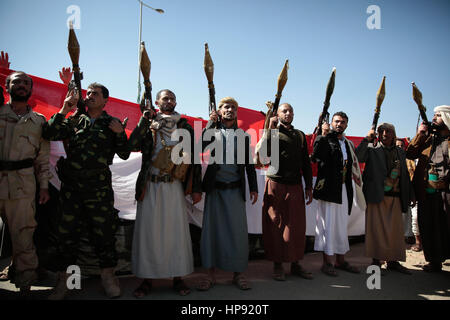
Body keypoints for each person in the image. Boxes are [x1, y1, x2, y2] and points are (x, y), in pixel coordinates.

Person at [42, 82, 129, 299]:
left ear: (105, 100)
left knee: (104, 236)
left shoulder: (112, 123)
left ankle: (108, 278)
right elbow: (49, 132)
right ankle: (66, 282)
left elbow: (125, 153)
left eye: (95, 94)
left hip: (98, 190)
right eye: (88, 93)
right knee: (67, 236)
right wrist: (65, 108)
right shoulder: (74, 120)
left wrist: (120, 134)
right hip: (72, 189)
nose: (89, 96)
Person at [128, 89, 202, 298]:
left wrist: (196, 188)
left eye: (172, 98)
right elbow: (131, 145)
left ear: (176, 102)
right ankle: (147, 280)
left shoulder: (184, 125)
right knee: (149, 233)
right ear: (158, 102)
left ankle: (178, 278)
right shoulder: (149, 121)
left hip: (173, 186)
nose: (169, 101)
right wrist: (144, 121)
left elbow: (194, 157)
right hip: (150, 185)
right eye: (165, 98)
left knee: (175, 232)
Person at [197, 97, 258, 291]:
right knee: (211, 233)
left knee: (237, 234)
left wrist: (254, 187)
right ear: (220, 111)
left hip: (235, 191)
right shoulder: (212, 132)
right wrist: (208, 123)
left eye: (233, 107)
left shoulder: (243, 136)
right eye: (226, 107)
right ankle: (209, 276)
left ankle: (238, 274)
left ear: (236, 111)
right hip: (215, 190)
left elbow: (249, 164)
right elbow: (199, 148)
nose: (229, 110)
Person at [0, 71, 51, 292]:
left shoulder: (38, 122)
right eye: (16, 82)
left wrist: (44, 187)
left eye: (25, 83)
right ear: (6, 86)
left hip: (22, 185)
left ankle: (25, 286)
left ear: (31, 90)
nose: (21, 85)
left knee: (23, 236)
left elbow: (43, 159)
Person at [259, 103, 314, 281]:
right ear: (278, 114)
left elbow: (305, 162)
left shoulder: (299, 135)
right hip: (275, 183)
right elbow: (263, 156)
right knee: (275, 225)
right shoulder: (271, 132)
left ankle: (296, 263)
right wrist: (270, 130)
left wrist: (308, 186)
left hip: (295, 185)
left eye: (291, 110)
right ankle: (277, 265)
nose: (288, 113)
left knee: (296, 227)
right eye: (285, 110)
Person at [311, 111, 365, 276]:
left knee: (342, 226)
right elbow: (316, 156)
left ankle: (341, 261)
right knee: (328, 225)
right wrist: (322, 134)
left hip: (344, 189)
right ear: (331, 123)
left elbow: (354, 164)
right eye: (336, 121)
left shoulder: (348, 143)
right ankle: (327, 263)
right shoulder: (325, 139)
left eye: (342, 122)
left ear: (346, 125)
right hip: (328, 190)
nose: (339, 124)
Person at [356, 123, 413, 274]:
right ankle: (375, 261)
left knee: (395, 231)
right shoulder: (372, 149)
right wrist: (367, 138)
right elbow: (358, 157)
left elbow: (405, 175)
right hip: (376, 196)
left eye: (389, 131)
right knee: (375, 230)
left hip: (395, 197)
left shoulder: (400, 152)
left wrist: (409, 195)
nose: (385, 134)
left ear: (394, 134)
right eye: (382, 131)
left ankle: (393, 261)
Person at [406, 106, 450, 272]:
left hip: (446, 192)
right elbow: (409, 154)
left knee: (446, 226)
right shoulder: (428, 139)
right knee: (428, 225)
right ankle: (434, 261)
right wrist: (421, 134)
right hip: (426, 192)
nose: (434, 118)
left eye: (438, 115)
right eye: (434, 115)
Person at [395, 138, 416, 245]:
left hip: (406, 194)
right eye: (397, 145)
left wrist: (412, 195)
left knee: (407, 217)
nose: (399, 148)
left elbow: (409, 179)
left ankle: (407, 236)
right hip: (393, 195)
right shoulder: (390, 158)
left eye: (401, 146)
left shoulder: (409, 160)